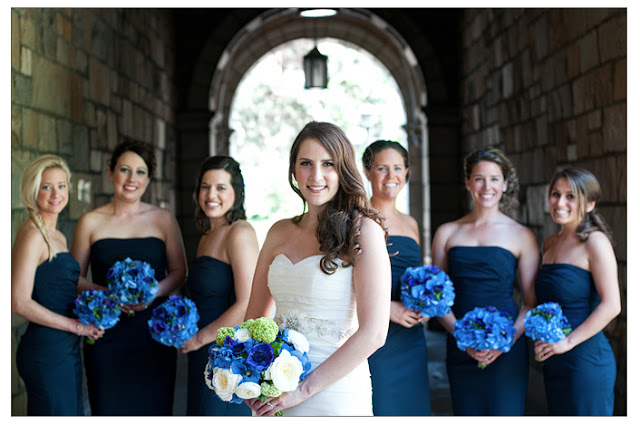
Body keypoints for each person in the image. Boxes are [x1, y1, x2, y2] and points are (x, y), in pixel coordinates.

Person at [243, 121, 391, 416]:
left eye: (328, 164)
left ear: (343, 170)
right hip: (276, 390)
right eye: (306, 163)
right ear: (293, 171)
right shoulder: (278, 232)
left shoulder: (363, 230)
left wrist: (302, 390)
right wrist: (247, 377)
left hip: (335, 392)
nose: (316, 175)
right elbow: (252, 320)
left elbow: (375, 333)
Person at [70, 139, 187, 415]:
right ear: (110, 173)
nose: (132, 179)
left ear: (148, 179)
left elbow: (180, 272)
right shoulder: (90, 221)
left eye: (140, 171)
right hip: (106, 335)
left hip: (153, 334)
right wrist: (108, 295)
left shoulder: (163, 219)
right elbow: (73, 278)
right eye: (124, 169)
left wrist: (153, 292)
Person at [431, 146, 539, 415]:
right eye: (479, 178)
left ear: (504, 184)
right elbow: (436, 298)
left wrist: (506, 341)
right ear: (468, 183)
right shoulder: (447, 232)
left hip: (507, 348)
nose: (486, 186)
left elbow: (531, 302)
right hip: (459, 345)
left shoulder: (522, 235)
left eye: (494, 179)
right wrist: (461, 336)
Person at [12, 155, 104, 415]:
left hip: (66, 348)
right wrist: (77, 327)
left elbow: (67, 282)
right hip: (46, 350)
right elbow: (18, 302)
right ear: (33, 190)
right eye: (47, 186)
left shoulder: (58, 235)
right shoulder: (32, 235)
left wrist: (109, 294)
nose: (56, 194)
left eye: (62, 186)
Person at [534, 167, 619, 415]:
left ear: (590, 203)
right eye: (555, 194)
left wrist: (567, 342)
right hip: (554, 359)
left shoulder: (596, 242)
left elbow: (612, 305)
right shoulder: (549, 243)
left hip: (585, 359)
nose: (560, 202)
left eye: (571, 196)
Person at [179, 156, 258, 415]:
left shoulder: (240, 233)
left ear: (237, 193)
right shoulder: (208, 235)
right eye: (205, 186)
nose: (211, 194)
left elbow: (247, 303)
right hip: (201, 350)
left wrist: (199, 339)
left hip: (225, 354)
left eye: (221, 187)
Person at [362, 140, 431, 416]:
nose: (391, 177)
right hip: (374, 335)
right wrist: (388, 309)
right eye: (382, 168)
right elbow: (341, 281)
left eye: (397, 168)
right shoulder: (355, 218)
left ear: (406, 172)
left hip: (411, 338)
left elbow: (418, 276)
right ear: (367, 172)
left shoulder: (411, 223)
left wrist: (427, 305)